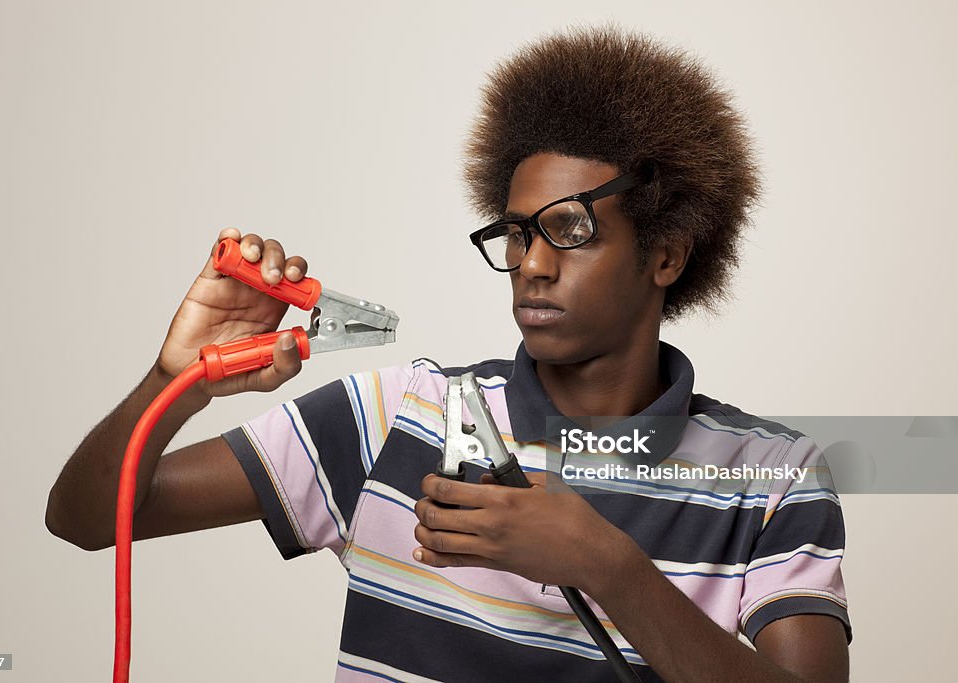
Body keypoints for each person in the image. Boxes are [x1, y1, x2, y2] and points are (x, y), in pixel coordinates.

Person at [46, 26, 850, 682]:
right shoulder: (402, 415)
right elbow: (85, 518)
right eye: (517, 233)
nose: (532, 262)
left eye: (570, 229)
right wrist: (176, 380)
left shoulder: (772, 475)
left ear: (666, 255)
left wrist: (610, 566)